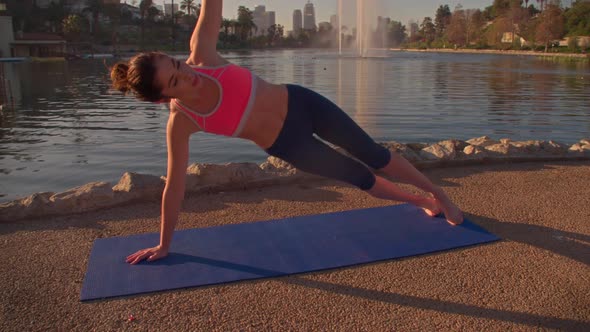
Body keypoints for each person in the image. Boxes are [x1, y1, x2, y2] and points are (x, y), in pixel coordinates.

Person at [114, 0, 463, 265]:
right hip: (288, 144)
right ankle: (420, 201)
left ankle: (439, 194)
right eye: (175, 80)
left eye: (176, 64)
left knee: (374, 154)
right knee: (360, 178)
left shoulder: (202, 54)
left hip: (303, 103)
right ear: (163, 98)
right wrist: (164, 244)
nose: (186, 74)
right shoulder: (182, 122)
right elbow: (174, 185)